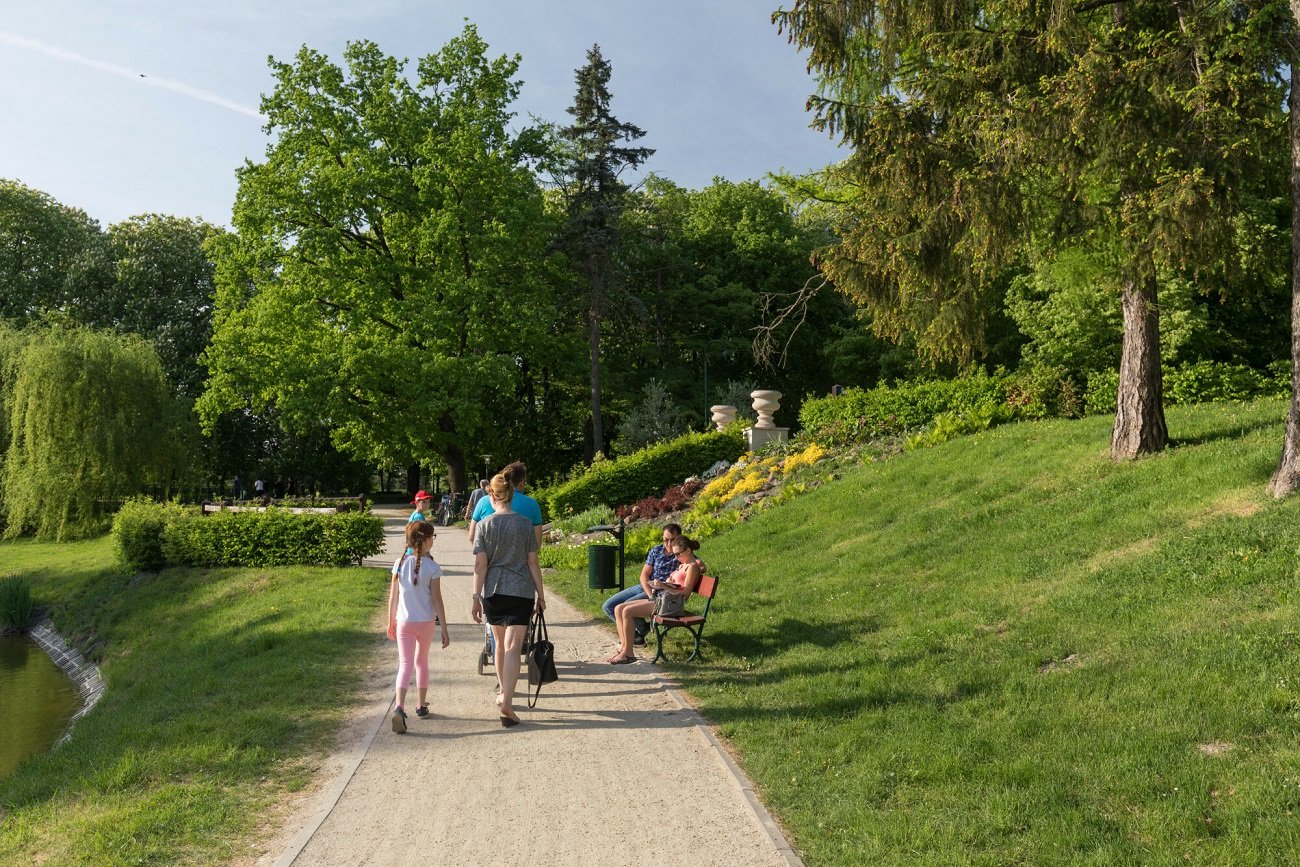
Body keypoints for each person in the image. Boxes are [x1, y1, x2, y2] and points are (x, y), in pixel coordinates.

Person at [470, 474, 546, 727]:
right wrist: (541, 595)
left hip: (492, 591)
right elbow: (532, 561)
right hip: (521, 591)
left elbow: (480, 566)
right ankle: (508, 703)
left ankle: (502, 692)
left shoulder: (484, 525)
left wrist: (474, 597)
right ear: (512, 495)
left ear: (491, 495)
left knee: (499, 645)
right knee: (514, 647)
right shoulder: (525, 524)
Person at [386, 520, 449, 733]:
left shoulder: (399, 564)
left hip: (404, 622)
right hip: (426, 622)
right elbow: (437, 600)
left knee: (405, 664)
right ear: (426, 540)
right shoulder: (433, 567)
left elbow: (393, 597)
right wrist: (445, 629)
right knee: (421, 662)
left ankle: (399, 707)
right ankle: (421, 706)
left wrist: (390, 621)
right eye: (433, 537)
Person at [607, 535, 702, 664]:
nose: (676, 557)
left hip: (672, 605)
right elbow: (677, 587)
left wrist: (663, 585)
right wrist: (666, 583)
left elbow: (684, 594)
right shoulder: (682, 566)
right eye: (675, 555)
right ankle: (624, 648)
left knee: (627, 611)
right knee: (618, 608)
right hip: (663, 600)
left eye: (678, 554)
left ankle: (628, 653)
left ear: (688, 551)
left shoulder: (692, 567)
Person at [602, 523, 681, 647]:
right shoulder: (656, 550)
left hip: (660, 591)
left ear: (679, 539)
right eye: (666, 539)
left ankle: (632, 639)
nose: (669, 544)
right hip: (645, 587)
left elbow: (697, 563)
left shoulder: (680, 554)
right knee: (608, 606)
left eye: (673, 540)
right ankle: (638, 633)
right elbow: (644, 575)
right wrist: (649, 594)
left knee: (623, 606)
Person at [467, 461, 542, 547]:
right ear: (521, 482)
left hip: (489, 559)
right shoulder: (532, 504)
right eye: (525, 482)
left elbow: (472, 537)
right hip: (522, 559)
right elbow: (537, 544)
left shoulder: (484, 501)